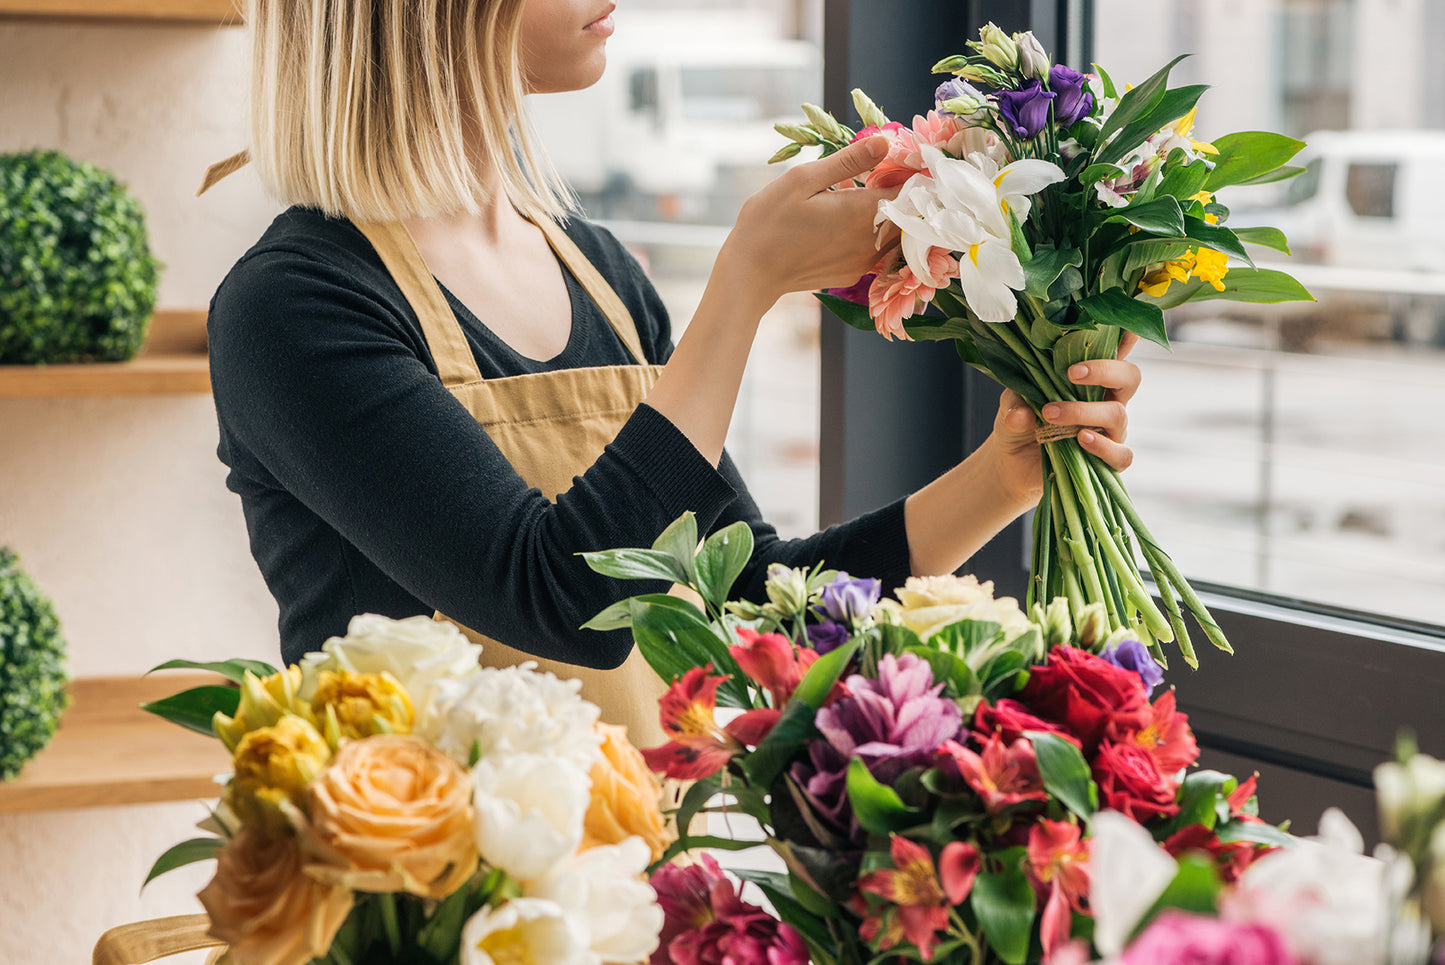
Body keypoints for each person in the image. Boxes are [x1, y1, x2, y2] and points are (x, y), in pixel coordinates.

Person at [205, 0, 1141, 743]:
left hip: (623, 895)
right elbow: (565, 602)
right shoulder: (294, 309)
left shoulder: (601, 275)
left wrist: (1005, 470)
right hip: (420, 911)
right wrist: (744, 287)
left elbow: (747, 607)